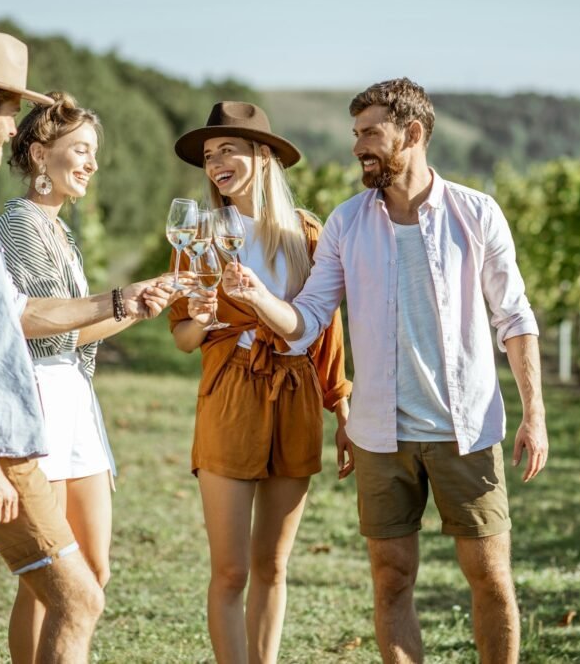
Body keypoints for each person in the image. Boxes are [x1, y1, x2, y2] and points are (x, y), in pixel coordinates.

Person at [223, 79, 549, 664]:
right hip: (380, 437)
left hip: (466, 430)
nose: (358, 147)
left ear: (413, 133)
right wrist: (256, 298)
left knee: (491, 576)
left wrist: (535, 415)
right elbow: (309, 320)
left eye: (371, 133)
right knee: (391, 580)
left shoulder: (475, 214)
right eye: (356, 134)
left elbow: (515, 318)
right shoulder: (347, 223)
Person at [0, 28, 175, 663]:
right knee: (79, 599)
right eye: (13, 113)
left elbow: (5, 312)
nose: (16, 130)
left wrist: (121, 302)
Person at [168, 101, 352, 664]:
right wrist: (198, 314)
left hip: (294, 397)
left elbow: (326, 335)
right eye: (208, 154)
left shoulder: (308, 235)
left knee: (274, 565)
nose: (216, 162)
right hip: (229, 394)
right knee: (231, 569)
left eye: (228, 149)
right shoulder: (196, 235)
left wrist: (341, 411)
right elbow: (183, 337)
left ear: (263, 156)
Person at [0, 91, 156, 662]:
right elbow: (38, 329)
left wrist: (136, 307)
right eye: (79, 150)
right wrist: (117, 302)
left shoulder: (59, 231)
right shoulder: (18, 223)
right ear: (40, 154)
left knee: (93, 567)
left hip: (76, 400)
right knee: (47, 578)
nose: (90, 163)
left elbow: (74, 336)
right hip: (39, 400)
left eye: (93, 152)